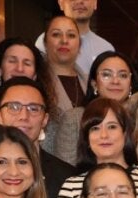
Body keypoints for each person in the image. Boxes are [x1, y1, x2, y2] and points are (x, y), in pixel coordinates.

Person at [0, 38, 60, 154]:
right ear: (0, 70)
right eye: (12, 61)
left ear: (35, 75)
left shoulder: (56, 117)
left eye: (27, 63)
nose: (20, 68)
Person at [45, 14, 88, 164]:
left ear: (79, 45)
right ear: (45, 43)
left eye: (71, 35)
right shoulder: (36, 83)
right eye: (56, 34)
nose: (64, 40)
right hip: (49, 165)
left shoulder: (92, 82)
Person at [35, 0, 115, 76]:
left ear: (95, 3)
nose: (79, 1)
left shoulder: (106, 48)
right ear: (61, 3)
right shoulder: (45, 42)